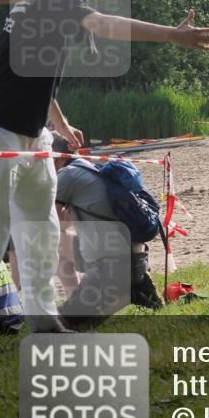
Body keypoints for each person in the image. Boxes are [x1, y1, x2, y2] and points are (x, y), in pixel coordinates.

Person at [0, 0, 209, 366]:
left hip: (33, 136)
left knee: (41, 232)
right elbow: (106, 25)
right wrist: (172, 34)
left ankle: (43, 320)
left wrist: (60, 122)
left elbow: (30, 74)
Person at [51, 136, 163, 328]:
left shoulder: (67, 175)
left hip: (110, 267)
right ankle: (137, 288)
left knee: (62, 323)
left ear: (54, 157)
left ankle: (127, 290)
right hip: (137, 258)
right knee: (64, 247)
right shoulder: (91, 168)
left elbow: (49, 220)